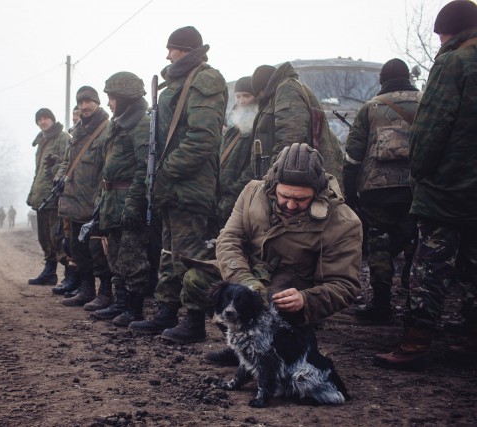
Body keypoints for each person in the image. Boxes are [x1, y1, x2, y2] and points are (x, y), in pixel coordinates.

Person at [183, 143, 362, 358]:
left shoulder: (343, 221)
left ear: (317, 192)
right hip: (250, 276)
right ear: (272, 185)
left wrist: (306, 300)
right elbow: (229, 239)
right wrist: (244, 280)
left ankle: (270, 348)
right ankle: (243, 344)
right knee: (196, 279)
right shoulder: (252, 192)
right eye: (284, 196)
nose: (291, 205)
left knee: (271, 307)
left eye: (301, 199)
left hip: (290, 294)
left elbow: (345, 285)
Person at [374, 0, 477, 369]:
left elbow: (432, 126)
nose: (439, 41)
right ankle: (469, 338)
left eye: (440, 34)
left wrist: (420, 171)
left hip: (446, 186)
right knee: (472, 265)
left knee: (429, 264)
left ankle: (416, 342)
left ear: (449, 31)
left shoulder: (454, 62)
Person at [128, 26, 228, 338]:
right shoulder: (180, 82)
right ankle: (167, 312)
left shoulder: (205, 79)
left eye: (171, 49)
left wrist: (167, 170)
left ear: (182, 50)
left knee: (193, 256)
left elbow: (203, 138)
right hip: (172, 185)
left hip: (189, 185)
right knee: (170, 254)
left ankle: (194, 321)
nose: (167, 55)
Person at [343, 58, 420, 323]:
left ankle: (382, 305)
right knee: (416, 244)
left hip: (378, 190)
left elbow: (353, 156)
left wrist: (350, 193)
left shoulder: (370, 108)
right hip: (418, 188)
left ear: (382, 80)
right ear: (408, 76)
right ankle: (415, 305)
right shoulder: (427, 101)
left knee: (380, 244)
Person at [91, 71, 152, 325]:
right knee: (115, 254)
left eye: (112, 98)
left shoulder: (141, 124)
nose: (108, 104)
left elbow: (144, 167)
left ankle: (134, 310)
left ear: (125, 98)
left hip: (128, 198)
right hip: (112, 199)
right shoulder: (119, 123)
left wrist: (134, 203)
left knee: (132, 256)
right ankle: (120, 303)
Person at [55, 86, 112, 307]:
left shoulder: (107, 129)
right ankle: (87, 290)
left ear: (97, 103)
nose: (85, 106)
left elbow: (109, 166)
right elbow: (67, 161)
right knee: (77, 248)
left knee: (98, 249)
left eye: (89, 101)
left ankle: (105, 293)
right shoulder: (77, 131)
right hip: (74, 199)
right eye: (81, 103)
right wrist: (59, 177)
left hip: (95, 200)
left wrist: (101, 196)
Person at [250, 62, 343, 185]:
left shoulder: (287, 89)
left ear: (263, 88)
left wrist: (273, 176)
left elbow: (290, 138)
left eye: (260, 94)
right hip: (300, 176)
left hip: (298, 180)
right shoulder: (287, 88)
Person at [26, 108, 71, 286]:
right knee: (44, 237)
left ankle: (70, 274)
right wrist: (32, 193)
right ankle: (49, 271)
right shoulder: (41, 141)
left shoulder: (63, 138)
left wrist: (56, 167)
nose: (43, 122)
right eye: (40, 119)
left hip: (55, 196)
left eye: (46, 118)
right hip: (41, 197)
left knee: (58, 236)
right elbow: (39, 172)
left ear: (52, 119)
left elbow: (68, 163)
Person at [218, 76, 258, 226]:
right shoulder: (233, 122)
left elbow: (253, 166)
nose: (241, 100)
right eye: (238, 96)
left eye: (246, 96)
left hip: (239, 193)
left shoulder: (259, 125)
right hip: (224, 191)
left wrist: (234, 190)